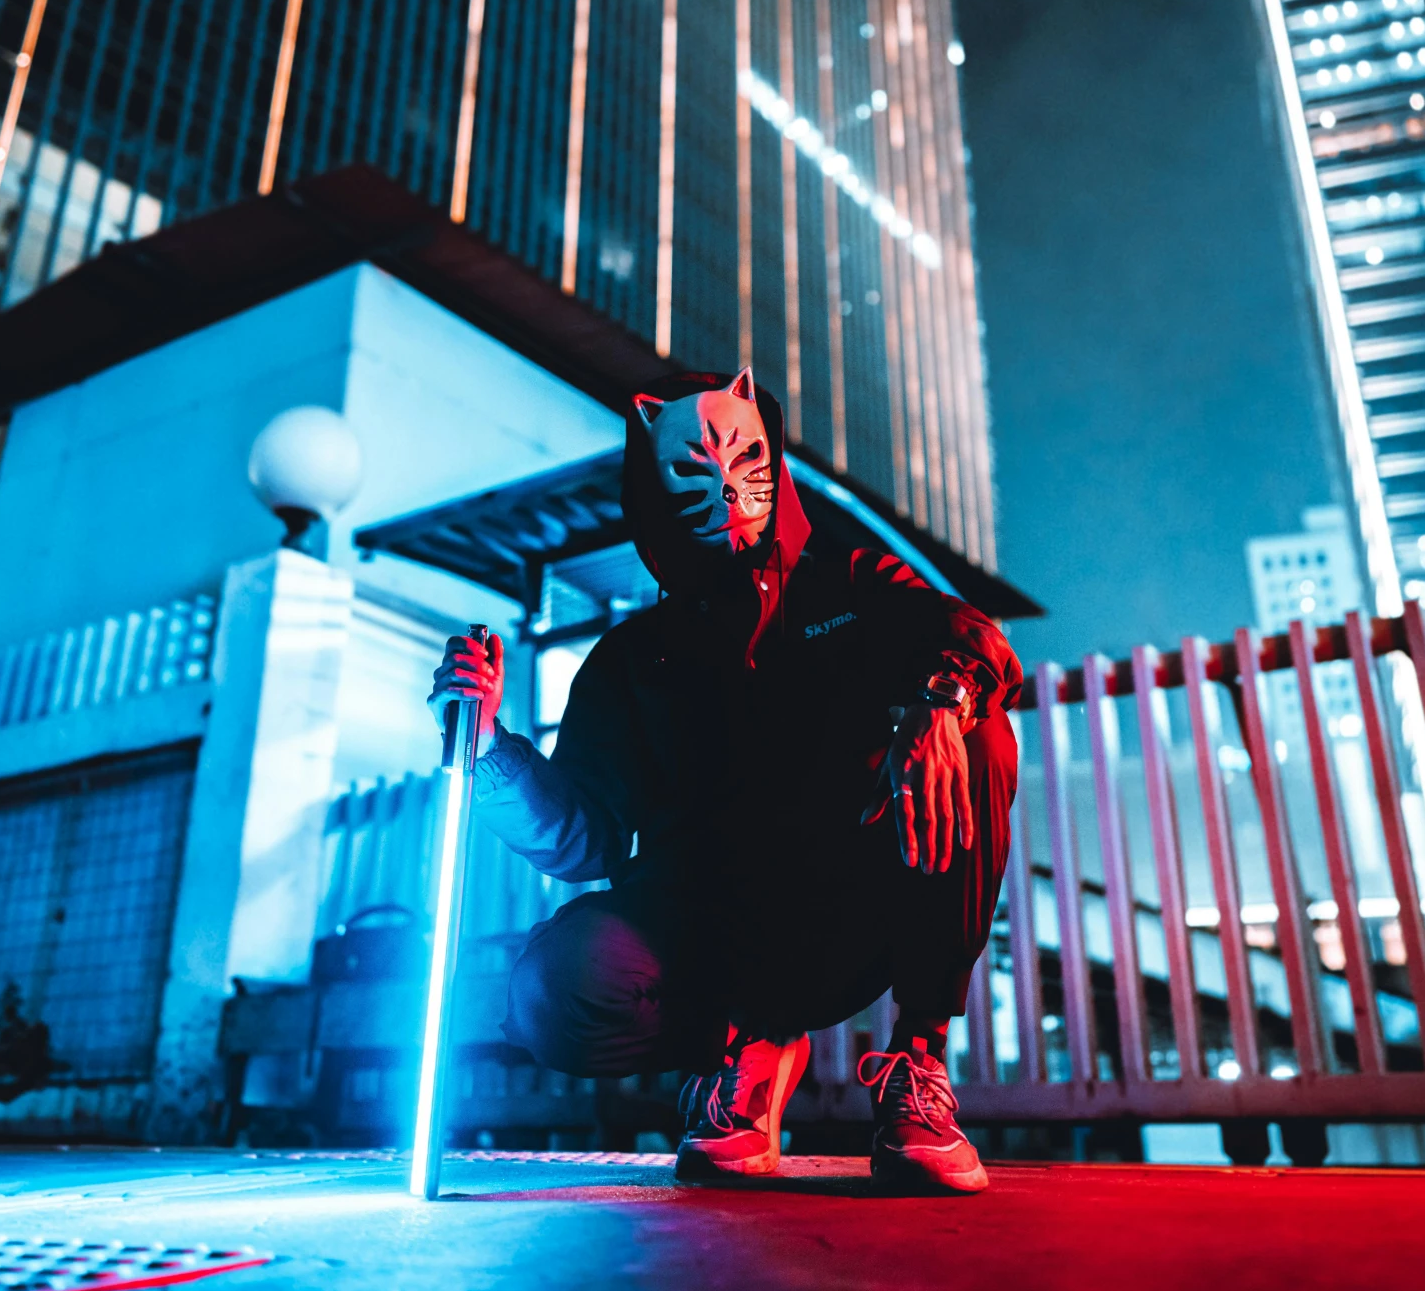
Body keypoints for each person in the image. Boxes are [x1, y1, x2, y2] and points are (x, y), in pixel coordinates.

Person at [430, 368, 1022, 1193]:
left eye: (746, 458)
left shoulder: (848, 586)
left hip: (850, 910)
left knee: (982, 733)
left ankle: (918, 1061)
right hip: (709, 936)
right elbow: (585, 837)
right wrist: (491, 743)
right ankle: (742, 1051)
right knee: (553, 990)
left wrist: (941, 700)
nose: (728, 486)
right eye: (690, 468)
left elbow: (970, 633)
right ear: (652, 485)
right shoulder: (632, 660)